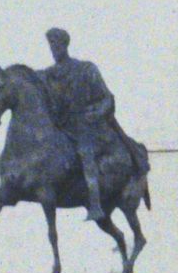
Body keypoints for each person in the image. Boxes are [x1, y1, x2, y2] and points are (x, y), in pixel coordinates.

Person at [36, 27, 132, 224]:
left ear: (65, 45)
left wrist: (97, 113)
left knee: (85, 153)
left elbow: (107, 98)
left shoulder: (86, 69)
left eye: (56, 45)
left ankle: (95, 204)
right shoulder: (48, 75)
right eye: (51, 46)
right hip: (62, 128)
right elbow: (25, 80)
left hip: (86, 128)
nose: (53, 50)